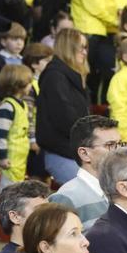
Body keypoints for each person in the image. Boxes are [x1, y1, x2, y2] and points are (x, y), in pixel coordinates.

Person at [37, 29, 94, 184]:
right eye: (80, 47)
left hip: (76, 153)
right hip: (61, 153)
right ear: (68, 48)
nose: (84, 52)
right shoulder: (55, 76)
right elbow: (64, 117)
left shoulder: (74, 77)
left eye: (85, 47)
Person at [48, 114, 121, 231]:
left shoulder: (124, 191)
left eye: (120, 144)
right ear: (84, 154)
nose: (119, 151)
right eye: (110, 145)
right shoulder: (65, 198)